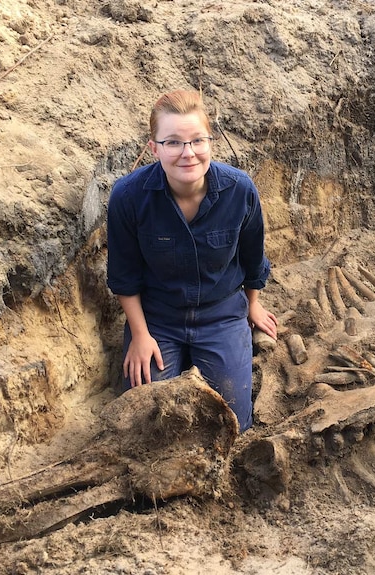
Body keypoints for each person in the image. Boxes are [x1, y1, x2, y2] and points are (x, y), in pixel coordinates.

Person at [106, 89, 277, 432]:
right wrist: (140, 335)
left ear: (210, 142)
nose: (188, 153)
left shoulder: (239, 189)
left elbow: (252, 257)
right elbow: (124, 276)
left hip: (221, 313)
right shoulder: (128, 196)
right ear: (154, 148)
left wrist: (252, 306)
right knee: (147, 422)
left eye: (197, 140)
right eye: (173, 142)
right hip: (159, 317)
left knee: (231, 423)